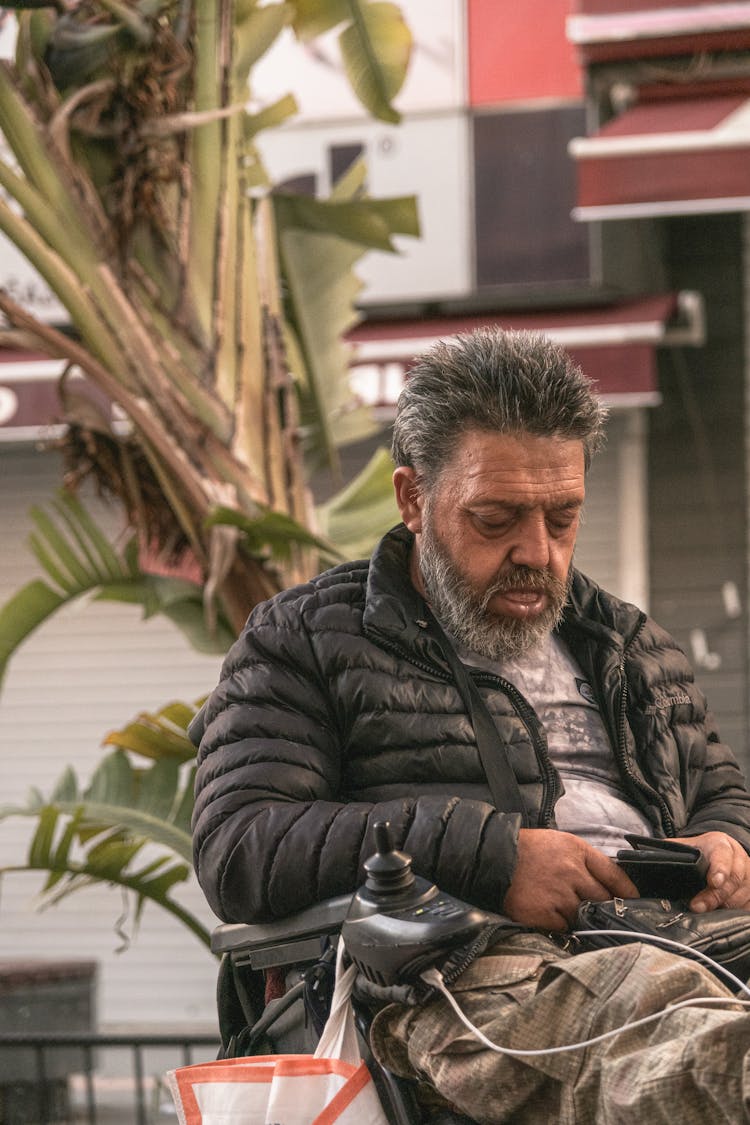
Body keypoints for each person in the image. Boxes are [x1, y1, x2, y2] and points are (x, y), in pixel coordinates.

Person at [191, 328, 750, 1123]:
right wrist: (491, 857)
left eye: (563, 518)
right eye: (496, 519)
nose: (539, 552)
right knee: (687, 1038)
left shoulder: (627, 642)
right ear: (414, 498)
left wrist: (726, 842)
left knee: (682, 1007)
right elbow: (239, 843)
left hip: (679, 933)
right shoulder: (304, 638)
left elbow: (722, 793)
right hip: (462, 967)